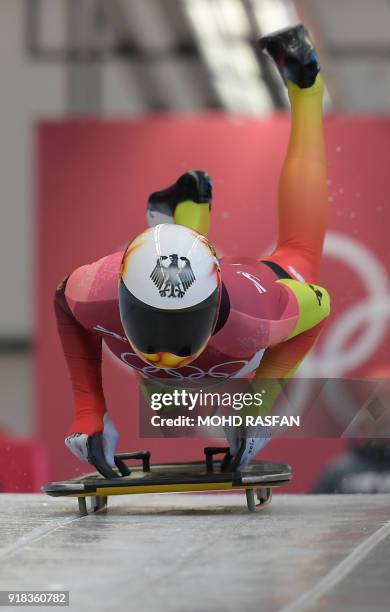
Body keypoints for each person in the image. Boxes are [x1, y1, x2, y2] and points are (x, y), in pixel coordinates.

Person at [54, 24, 330, 477]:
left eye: (179, 328)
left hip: (245, 287)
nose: (164, 353)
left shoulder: (258, 308)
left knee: (299, 254)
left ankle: (305, 88)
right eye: (151, 325)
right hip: (217, 314)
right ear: (121, 299)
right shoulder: (92, 291)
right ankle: (189, 206)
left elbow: (321, 307)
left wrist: (260, 404)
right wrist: (89, 413)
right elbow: (63, 303)